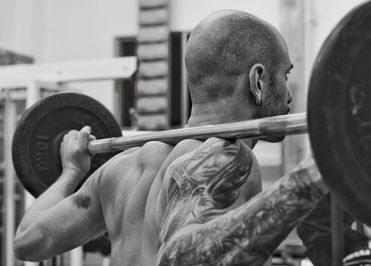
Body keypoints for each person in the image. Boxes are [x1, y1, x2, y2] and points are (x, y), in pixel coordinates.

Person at [14, 10, 328, 265]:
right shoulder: (227, 158)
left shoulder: (120, 170)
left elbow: (29, 240)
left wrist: (72, 172)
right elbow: (181, 257)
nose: (288, 95)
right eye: (284, 76)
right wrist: (313, 175)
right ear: (258, 81)